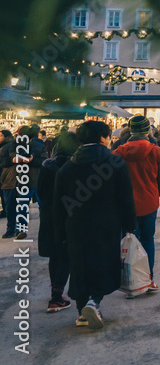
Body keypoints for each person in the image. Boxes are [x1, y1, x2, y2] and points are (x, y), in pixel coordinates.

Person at [52, 120, 136, 329]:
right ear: (103, 138)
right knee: (104, 262)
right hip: (107, 224)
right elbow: (126, 198)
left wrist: (59, 230)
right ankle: (94, 300)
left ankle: (82, 311)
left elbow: (58, 203)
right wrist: (130, 225)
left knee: (79, 264)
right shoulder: (115, 163)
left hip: (75, 225)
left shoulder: (67, 167)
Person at [114, 114, 160, 291]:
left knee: (128, 241)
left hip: (125, 204)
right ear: (148, 131)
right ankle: (148, 279)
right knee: (147, 240)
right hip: (148, 202)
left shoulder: (118, 152)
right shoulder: (157, 151)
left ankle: (129, 280)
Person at [37, 129, 80, 313]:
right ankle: (56, 297)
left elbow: (40, 192)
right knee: (66, 256)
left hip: (48, 215)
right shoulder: (75, 166)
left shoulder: (47, 166)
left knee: (55, 254)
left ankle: (55, 292)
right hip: (69, 215)